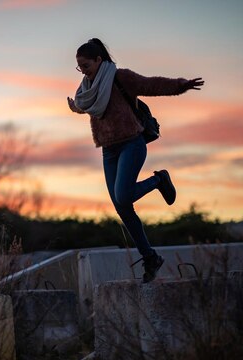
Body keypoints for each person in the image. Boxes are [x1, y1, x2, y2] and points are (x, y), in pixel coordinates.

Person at [67, 38, 204, 283]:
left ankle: (159, 179)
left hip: (132, 144)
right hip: (108, 151)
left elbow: (151, 85)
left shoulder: (121, 78)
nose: (83, 71)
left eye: (86, 65)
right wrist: (76, 108)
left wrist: (181, 85)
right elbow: (85, 105)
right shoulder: (88, 89)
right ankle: (150, 257)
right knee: (123, 209)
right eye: (79, 67)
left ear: (99, 60)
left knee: (123, 195)